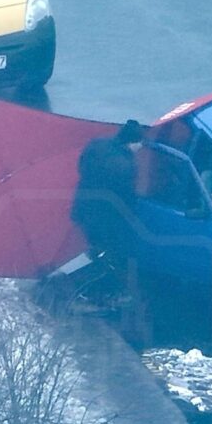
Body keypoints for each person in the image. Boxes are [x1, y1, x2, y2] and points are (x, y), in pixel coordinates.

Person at [71, 119, 144, 296]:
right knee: (109, 253)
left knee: (95, 246)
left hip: (83, 206)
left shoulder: (96, 144)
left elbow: (81, 166)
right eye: (139, 143)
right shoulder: (126, 166)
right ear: (132, 143)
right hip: (105, 218)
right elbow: (126, 198)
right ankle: (95, 291)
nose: (141, 147)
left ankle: (90, 280)